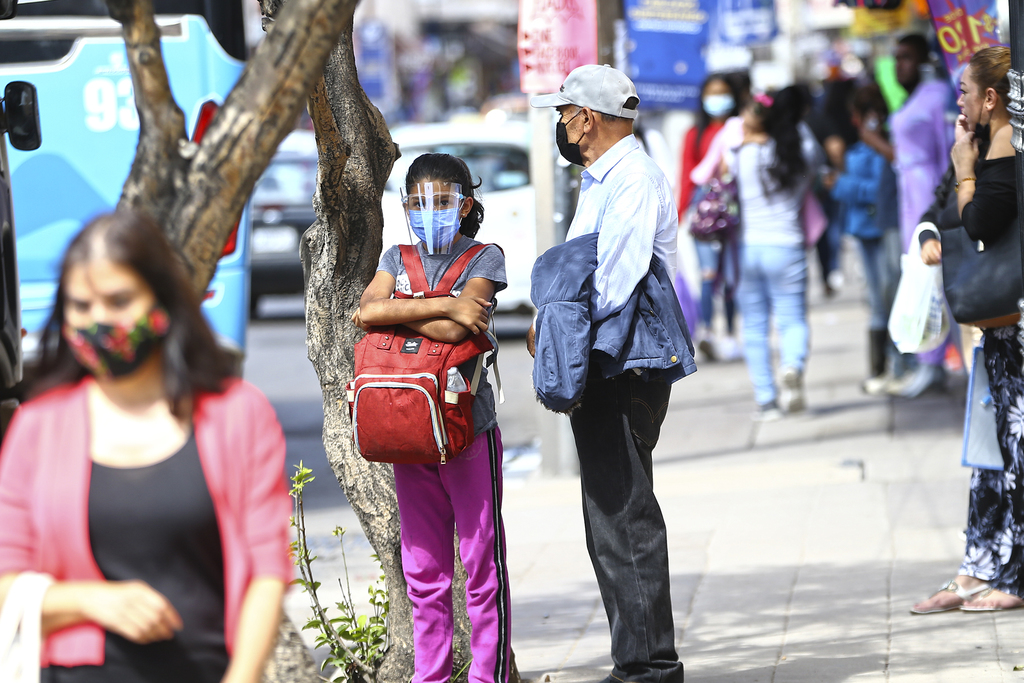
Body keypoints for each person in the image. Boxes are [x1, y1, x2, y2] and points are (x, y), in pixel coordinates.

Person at [0, 210, 290, 683]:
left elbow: (267, 570)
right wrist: (93, 599)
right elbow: (5, 582)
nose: (99, 322)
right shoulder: (37, 427)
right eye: (80, 306)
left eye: (118, 301)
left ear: (162, 302)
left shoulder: (238, 414)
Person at [529, 64, 687, 683]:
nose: (561, 126)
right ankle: (638, 660)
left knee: (624, 515)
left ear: (587, 117)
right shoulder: (603, 179)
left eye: (564, 114)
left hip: (619, 363)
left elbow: (613, 284)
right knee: (611, 516)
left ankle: (649, 667)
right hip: (606, 358)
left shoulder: (632, 180)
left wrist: (563, 335)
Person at [353, 153, 512, 683]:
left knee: (482, 565)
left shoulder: (486, 257)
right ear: (405, 208)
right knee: (424, 573)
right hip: (409, 432)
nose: (430, 212)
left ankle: (488, 675)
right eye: (418, 203)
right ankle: (432, 676)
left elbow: (459, 331)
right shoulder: (395, 255)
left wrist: (409, 307)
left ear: (465, 204)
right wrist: (444, 307)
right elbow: (366, 312)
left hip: (469, 432)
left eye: (442, 201)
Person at [909, 46, 1024, 613]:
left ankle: (1013, 574)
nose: (958, 99)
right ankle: (980, 566)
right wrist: (934, 224)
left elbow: (978, 222)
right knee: (992, 449)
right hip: (999, 325)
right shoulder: (979, 142)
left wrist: (963, 168)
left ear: (990, 98)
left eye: (963, 90)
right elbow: (944, 209)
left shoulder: (1008, 145)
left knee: (1016, 448)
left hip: (1016, 320)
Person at [730, 87, 820, 420]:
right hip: (788, 246)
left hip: (751, 248)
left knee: (754, 326)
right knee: (792, 318)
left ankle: (766, 401)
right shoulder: (798, 154)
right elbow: (815, 155)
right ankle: (792, 365)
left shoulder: (742, 154)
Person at [887, 33, 958, 398]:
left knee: (933, 275)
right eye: (896, 58)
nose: (900, 65)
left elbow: (948, 152)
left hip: (928, 193)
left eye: (907, 57)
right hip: (909, 195)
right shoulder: (914, 97)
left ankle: (937, 361)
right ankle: (928, 358)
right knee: (918, 274)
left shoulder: (935, 97)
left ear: (924, 59)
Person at [827, 83, 900, 391]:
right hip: (863, 230)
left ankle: (894, 366)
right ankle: (880, 368)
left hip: (881, 228)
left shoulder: (882, 149)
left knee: (888, 293)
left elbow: (875, 192)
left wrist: (841, 184)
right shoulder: (858, 149)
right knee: (876, 299)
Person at [679, 74, 742, 361]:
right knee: (708, 274)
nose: (718, 98)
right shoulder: (695, 134)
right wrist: (680, 214)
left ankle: (729, 333)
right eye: (712, 92)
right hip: (704, 214)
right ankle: (706, 331)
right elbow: (686, 176)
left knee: (730, 276)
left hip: (733, 212)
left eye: (723, 92)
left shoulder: (741, 129)